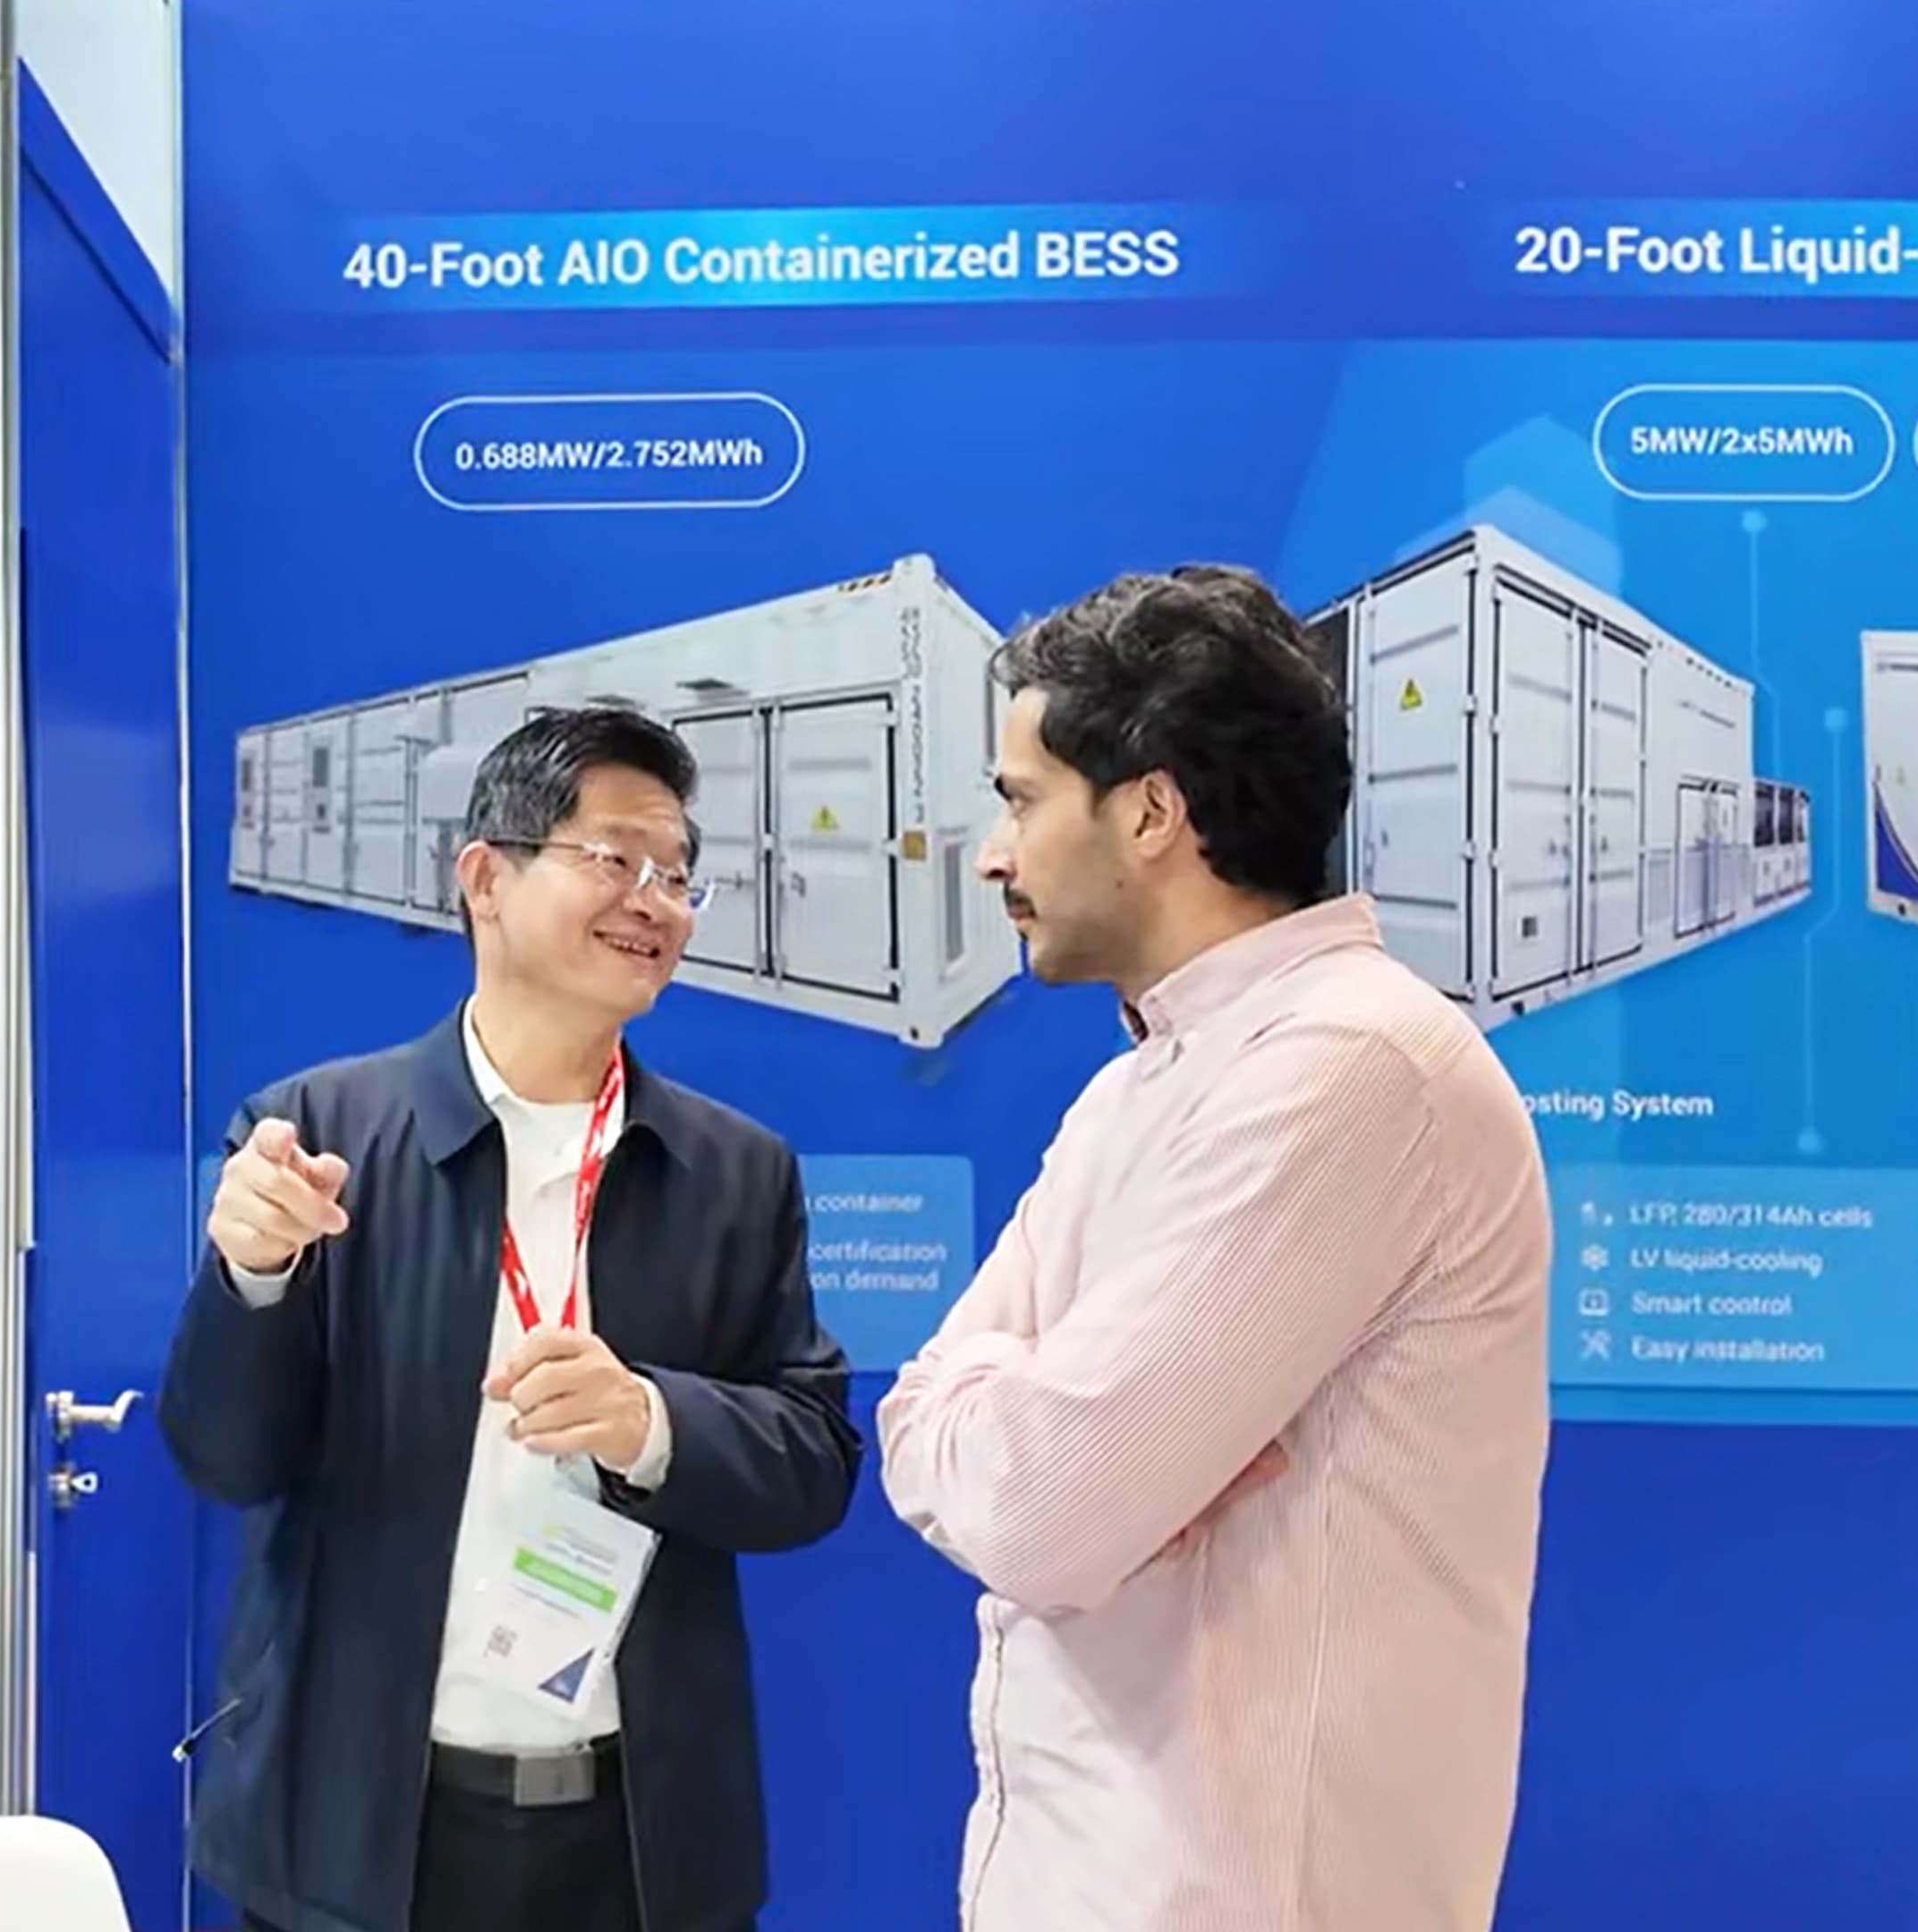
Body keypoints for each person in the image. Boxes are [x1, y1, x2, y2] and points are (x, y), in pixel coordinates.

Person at [878, 564, 1553, 1931]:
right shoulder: (1140, 1085)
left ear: (1150, 812)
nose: (993, 855)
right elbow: (924, 1415)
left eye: (1020, 801)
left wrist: (1035, 1423)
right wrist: (1033, 1424)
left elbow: (1041, 1515)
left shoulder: (1351, 1070)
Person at [160, 702, 865, 1932]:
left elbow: (814, 1464)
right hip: (356, 1837)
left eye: (678, 875)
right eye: (614, 859)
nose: (655, 902)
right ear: (485, 878)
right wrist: (254, 1278)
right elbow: (226, 1457)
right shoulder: (316, 1135)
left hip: (638, 1847)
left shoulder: (735, 1173)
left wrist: (651, 1423)